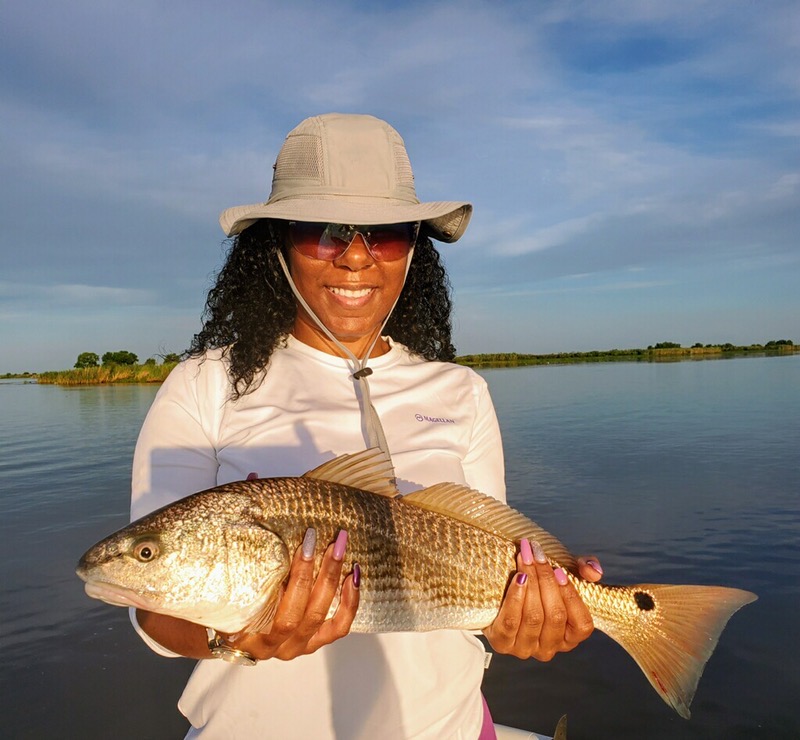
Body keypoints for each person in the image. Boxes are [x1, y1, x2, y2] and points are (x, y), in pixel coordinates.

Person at [130, 113, 601, 739]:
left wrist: (529, 617)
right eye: (323, 231)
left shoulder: (462, 391)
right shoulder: (204, 384)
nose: (355, 256)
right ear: (277, 244)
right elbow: (150, 606)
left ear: (415, 246)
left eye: (384, 234)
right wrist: (234, 638)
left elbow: (488, 565)